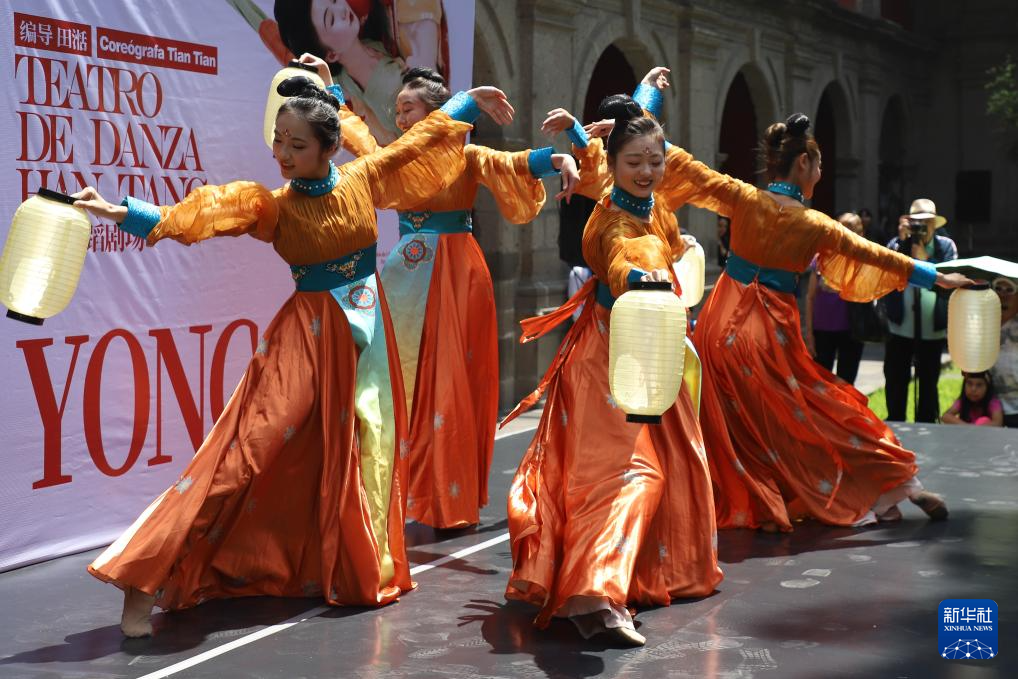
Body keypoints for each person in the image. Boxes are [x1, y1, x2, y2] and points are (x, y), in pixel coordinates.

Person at [70, 77, 511, 637]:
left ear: (329, 147)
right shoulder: (273, 206)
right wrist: (120, 212)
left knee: (370, 449)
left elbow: (418, 143)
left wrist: (469, 102)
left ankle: (357, 565)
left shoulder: (363, 177)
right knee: (245, 455)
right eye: (279, 141)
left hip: (368, 333)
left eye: (296, 145)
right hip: (306, 337)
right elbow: (206, 213)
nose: (282, 154)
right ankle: (146, 577)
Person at [647, 112, 970, 532]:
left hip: (718, 329)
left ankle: (767, 501)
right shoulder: (813, 224)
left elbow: (686, 167)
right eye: (819, 165)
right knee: (817, 412)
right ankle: (901, 484)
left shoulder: (743, 197)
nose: (820, 173)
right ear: (803, 163)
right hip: (767, 335)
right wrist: (936, 277)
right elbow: (874, 255)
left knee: (742, 423)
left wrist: (640, 117)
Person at [499, 95, 722, 647]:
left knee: (676, 462)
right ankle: (592, 594)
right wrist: (641, 281)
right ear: (612, 163)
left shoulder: (657, 206)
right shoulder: (610, 220)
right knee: (630, 476)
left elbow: (667, 242)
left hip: (653, 350)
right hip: (608, 358)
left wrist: (648, 91)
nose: (646, 171)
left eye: (655, 160)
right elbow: (620, 258)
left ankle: (634, 578)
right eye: (634, 162)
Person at [331, 63, 580, 529]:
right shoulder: (397, 158)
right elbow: (358, 138)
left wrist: (558, 160)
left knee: (451, 383)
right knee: (397, 377)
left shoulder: (467, 157)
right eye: (398, 110)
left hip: (458, 273)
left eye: (409, 109)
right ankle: (397, 486)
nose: (401, 118)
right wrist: (329, 84)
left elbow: (513, 163)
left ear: (436, 113)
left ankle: (447, 495)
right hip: (407, 275)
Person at [275, 0, 428, 145]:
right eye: (331, 19)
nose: (341, 9)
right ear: (331, 55)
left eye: (335, 0)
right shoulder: (380, 87)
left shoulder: (370, 45)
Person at [881, 199, 959, 422]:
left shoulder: (946, 246)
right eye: (917, 222)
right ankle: (895, 422)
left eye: (926, 223)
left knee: (928, 382)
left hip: (931, 330)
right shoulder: (896, 244)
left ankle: (927, 423)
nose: (922, 228)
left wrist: (926, 260)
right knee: (896, 379)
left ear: (935, 224)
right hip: (900, 327)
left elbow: (950, 279)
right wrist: (902, 243)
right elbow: (887, 274)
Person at [803, 212, 866, 384]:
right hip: (822, 330)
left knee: (846, 383)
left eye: (851, 229)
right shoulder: (822, 257)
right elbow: (810, 297)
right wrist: (809, 334)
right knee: (821, 383)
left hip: (852, 331)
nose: (844, 234)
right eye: (841, 228)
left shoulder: (864, 260)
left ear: (861, 233)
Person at [989, 276, 1018, 427]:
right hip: (990, 407)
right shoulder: (983, 325)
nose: (1003, 296)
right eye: (998, 289)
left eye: (1009, 290)